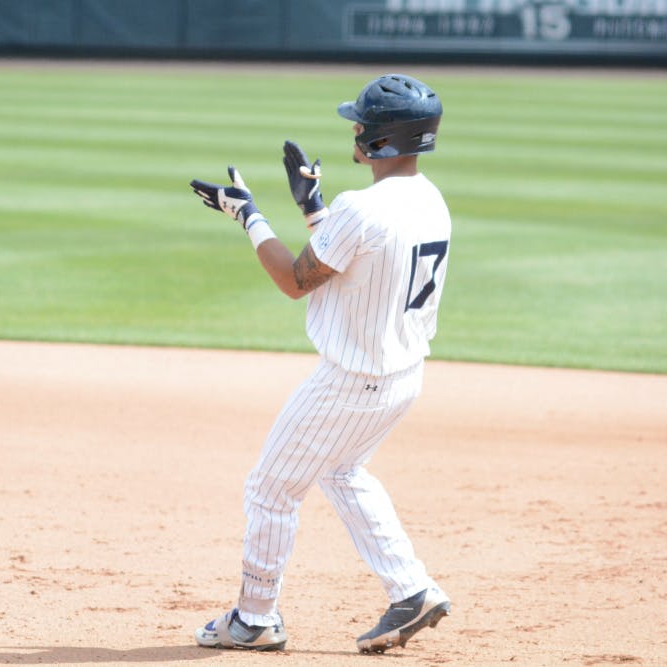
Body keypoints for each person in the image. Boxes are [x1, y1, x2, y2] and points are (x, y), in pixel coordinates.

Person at [188, 73, 452, 654]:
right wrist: (312, 207)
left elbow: (295, 281)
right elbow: (354, 258)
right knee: (341, 472)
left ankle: (254, 620)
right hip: (403, 377)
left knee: (270, 491)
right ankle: (411, 590)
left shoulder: (363, 208)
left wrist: (247, 215)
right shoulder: (430, 199)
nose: (354, 130)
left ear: (382, 140)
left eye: (361, 124)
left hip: (350, 382)